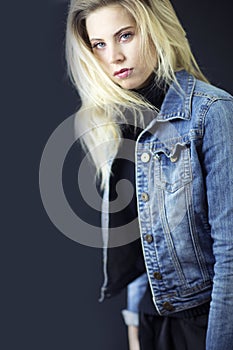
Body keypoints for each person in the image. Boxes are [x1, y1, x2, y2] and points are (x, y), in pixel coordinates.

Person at [65, 0, 233, 349]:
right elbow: (141, 239)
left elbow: (230, 256)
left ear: (157, 30)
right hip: (150, 325)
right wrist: (134, 324)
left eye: (125, 35)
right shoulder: (117, 125)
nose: (114, 56)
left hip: (204, 326)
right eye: (99, 45)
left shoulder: (211, 113)